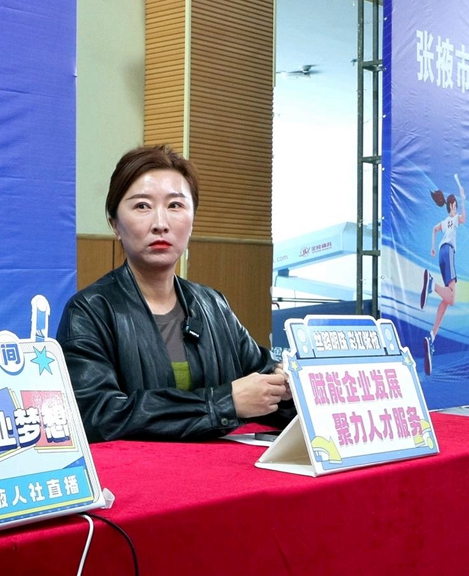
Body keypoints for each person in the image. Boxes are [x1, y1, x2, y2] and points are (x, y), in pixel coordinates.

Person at [57, 145, 295, 442]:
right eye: (142, 206)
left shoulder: (213, 305)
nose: (160, 224)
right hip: (136, 471)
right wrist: (224, 403)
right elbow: (97, 415)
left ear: (192, 219)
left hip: (220, 468)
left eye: (175, 205)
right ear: (115, 224)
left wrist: (287, 386)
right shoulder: (90, 311)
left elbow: (263, 382)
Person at [419, 177, 466, 375]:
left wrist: (432, 247)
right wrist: (463, 198)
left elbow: (434, 229)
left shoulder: (444, 222)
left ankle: (432, 335)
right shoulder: (454, 219)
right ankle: (432, 285)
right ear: (453, 206)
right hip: (449, 252)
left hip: (440, 254)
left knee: (446, 300)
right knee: (452, 299)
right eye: (455, 205)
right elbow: (463, 218)